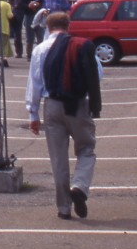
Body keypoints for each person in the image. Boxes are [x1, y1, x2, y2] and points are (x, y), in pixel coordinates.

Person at [25, 11, 102, 221]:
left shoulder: (40, 49)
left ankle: (64, 208)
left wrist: (33, 113)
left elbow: (35, 83)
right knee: (86, 149)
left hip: (51, 105)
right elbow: (98, 72)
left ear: (48, 27)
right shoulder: (78, 45)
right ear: (68, 26)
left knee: (58, 158)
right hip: (77, 104)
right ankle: (79, 185)